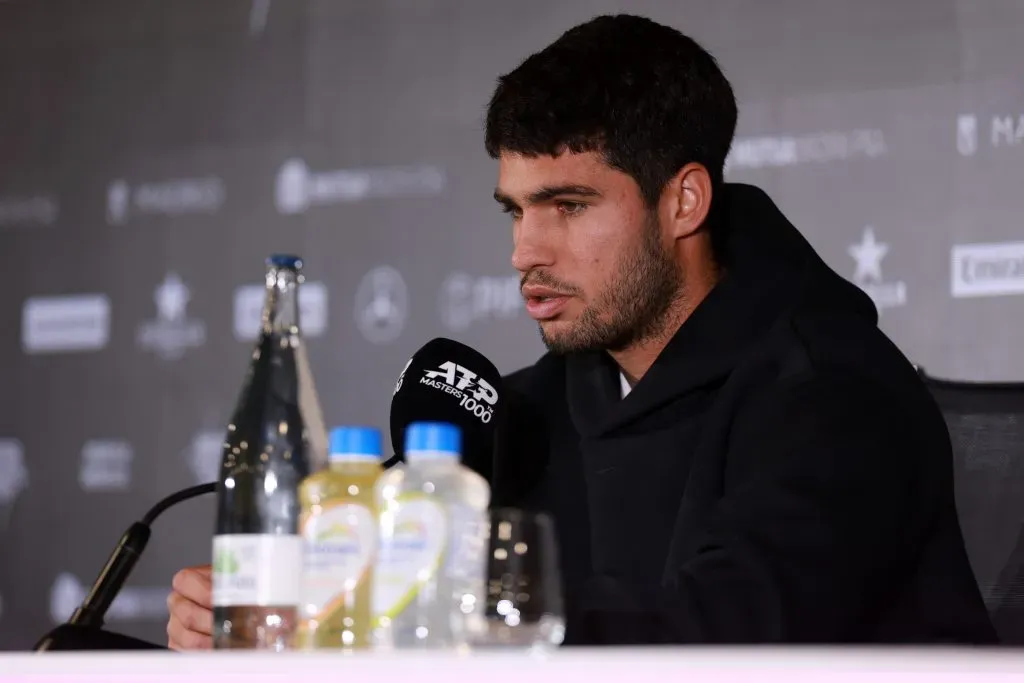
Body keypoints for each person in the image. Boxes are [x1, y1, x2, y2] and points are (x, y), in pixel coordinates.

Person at [167, 14, 997, 648]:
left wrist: (443, 595)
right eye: (516, 210)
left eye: (568, 205)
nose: (526, 251)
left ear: (684, 201)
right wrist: (291, 604)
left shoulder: (836, 395)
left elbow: (726, 632)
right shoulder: (520, 414)